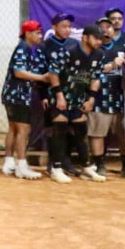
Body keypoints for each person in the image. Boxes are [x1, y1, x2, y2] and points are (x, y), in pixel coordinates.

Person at [47, 23, 106, 183]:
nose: (99, 41)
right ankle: (56, 168)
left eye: (101, 39)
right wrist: (59, 96)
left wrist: (91, 99)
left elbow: (96, 77)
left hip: (79, 97)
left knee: (81, 131)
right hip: (61, 95)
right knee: (60, 128)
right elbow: (53, 73)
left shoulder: (99, 54)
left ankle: (86, 166)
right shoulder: (69, 51)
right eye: (96, 38)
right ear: (85, 37)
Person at [88, 17, 125, 180]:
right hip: (99, 97)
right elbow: (90, 71)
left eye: (109, 27)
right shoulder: (93, 50)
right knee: (98, 132)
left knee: (124, 133)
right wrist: (112, 65)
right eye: (102, 27)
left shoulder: (123, 47)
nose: (106, 30)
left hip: (121, 97)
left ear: (114, 30)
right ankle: (99, 164)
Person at [0, 19, 48, 179]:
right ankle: (21, 165)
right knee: (23, 129)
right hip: (18, 95)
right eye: (37, 33)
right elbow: (18, 72)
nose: (40, 36)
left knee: (14, 129)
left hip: (13, 95)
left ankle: (8, 162)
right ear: (27, 33)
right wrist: (41, 77)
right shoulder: (23, 48)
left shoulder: (27, 48)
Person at [37, 12, 82, 177]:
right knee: (55, 128)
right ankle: (53, 161)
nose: (67, 29)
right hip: (52, 93)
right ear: (54, 27)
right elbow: (41, 71)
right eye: (63, 26)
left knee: (72, 129)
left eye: (69, 26)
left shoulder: (75, 45)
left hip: (73, 94)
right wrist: (43, 95)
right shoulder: (45, 46)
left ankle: (66, 161)